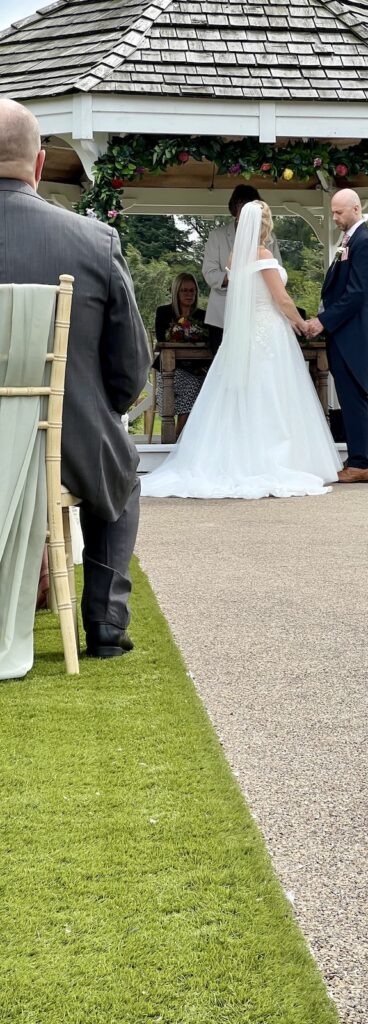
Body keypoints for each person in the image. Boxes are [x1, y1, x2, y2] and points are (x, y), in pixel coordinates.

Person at [0, 98, 149, 658]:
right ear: (38, 165)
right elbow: (130, 369)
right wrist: (102, 410)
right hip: (67, 442)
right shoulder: (94, 242)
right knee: (121, 472)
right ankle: (106, 626)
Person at [141, 201, 341, 499]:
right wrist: (301, 323)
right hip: (269, 332)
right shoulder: (263, 254)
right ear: (266, 225)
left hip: (244, 335)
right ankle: (275, 457)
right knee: (273, 394)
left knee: (243, 394)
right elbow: (282, 300)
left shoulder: (235, 258)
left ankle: (239, 454)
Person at [305, 189, 368, 483]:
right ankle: (356, 457)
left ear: (355, 209)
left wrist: (323, 321)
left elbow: (356, 293)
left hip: (354, 334)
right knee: (349, 396)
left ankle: (361, 463)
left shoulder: (366, 243)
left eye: (339, 212)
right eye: (333, 212)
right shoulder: (350, 241)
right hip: (345, 332)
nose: (335, 218)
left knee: (354, 396)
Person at [202, 185, 281, 355]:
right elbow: (209, 272)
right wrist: (237, 278)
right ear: (234, 208)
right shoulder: (217, 236)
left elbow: (277, 269)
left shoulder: (269, 239)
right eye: (241, 206)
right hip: (222, 316)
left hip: (256, 316)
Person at [154, 273, 209, 439]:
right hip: (169, 369)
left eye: (192, 291)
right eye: (184, 290)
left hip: (197, 367)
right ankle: (178, 437)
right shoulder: (164, 312)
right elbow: (162, 340)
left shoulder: (202, 316)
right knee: (193, 384)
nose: (189, 294)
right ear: (176, 292)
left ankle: (195, 438)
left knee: (209, 383)